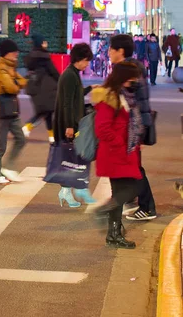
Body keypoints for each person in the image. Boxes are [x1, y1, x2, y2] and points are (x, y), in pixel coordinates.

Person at [93, 62, 142, 249]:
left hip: (124, 152)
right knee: (133, 187)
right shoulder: (110, 98)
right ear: (123, 78)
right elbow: (102, 128)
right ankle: (105, 211)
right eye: (132, 78)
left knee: (121, 192)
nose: (135, 81)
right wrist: (120, 143)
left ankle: (113, 235)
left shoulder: (124, 96)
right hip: (116, 153)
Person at [109, 34, 157, 221]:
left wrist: (140, 132)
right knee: (132, 167)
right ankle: (139, 202)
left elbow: (138, 102)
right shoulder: (131, 67)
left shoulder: (127, 70)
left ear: (120, 51)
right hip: (132, 128)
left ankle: (147, 207)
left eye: (111, 49)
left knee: (134, 168)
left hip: (131, 128)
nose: (109, 53)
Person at [53, 42, 95, 207]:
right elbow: (67, 103)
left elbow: (76, 94)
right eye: (86, 60)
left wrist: (91, 88)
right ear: (79, 59)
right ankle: (66, 191)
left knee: (77, 158)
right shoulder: (69, 75)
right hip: (68, 125)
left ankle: (78, 189)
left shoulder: (74, 73)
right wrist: (69, 126)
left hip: (73, 123)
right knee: (71, 159)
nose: (87, 64)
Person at [0, 39, 27, 184]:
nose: (16, 54)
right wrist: (17, 84)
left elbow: (22, 82)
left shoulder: (11, 67)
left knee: (21, 138)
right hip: (1, 111)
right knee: (0, 143)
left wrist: (17, 83)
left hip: (12, 110)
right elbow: (11, 87)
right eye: (14, 52)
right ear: (7, 53)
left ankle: (8, 166)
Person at [22, 33, 59, 143]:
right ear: (41, 43)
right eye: (44, 41)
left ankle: (51, 137)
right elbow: (53, 72)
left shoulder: (31, 56)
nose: (46, 43)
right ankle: (28, 127)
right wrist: (62, 80)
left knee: (47, 111)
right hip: (45, 88)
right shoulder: (44, 57)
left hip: (34, 86)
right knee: (46, 111)